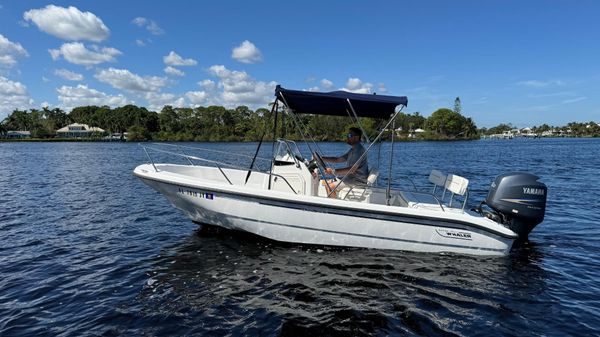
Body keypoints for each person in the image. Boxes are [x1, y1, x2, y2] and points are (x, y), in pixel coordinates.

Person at [321, 127, 369, 197]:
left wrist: (333, 171)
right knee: (324, 182)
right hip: (351, 178)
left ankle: (333, 206)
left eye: (349, 135)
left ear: (356, 138)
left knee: (329, 186)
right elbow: (338, 159)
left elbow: (352, 170)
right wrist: (322, 158)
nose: (347, 137)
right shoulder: (353, 150)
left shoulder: (358, 151)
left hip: (357, 181)